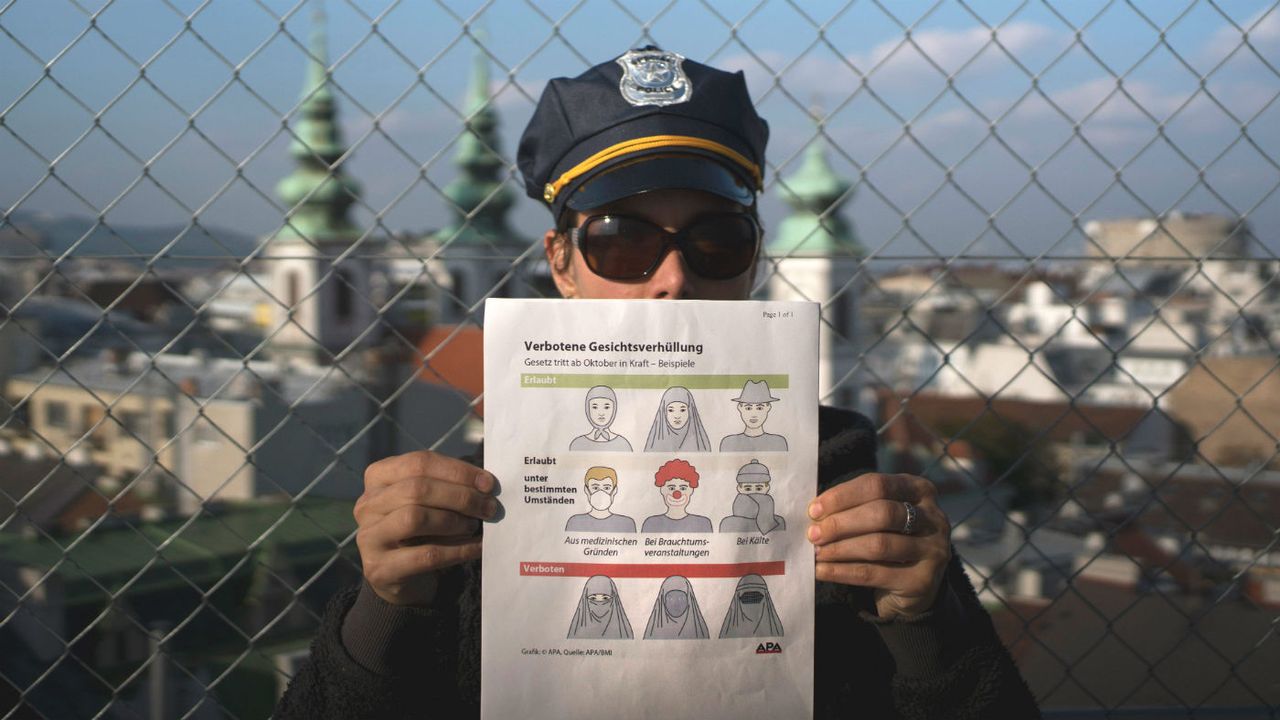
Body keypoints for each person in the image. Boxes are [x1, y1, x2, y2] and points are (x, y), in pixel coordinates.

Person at [276, 46, 1040, 719]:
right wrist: (383, 613)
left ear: (754, 261)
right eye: (621, 240)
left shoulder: (852, 500)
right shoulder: (474, 511)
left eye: (716, 241)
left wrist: (930, 625)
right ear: (559, 264)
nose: (674, 279)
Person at [640, 458, 712, 533]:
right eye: (671, 488)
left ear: (691, 490)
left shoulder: (703, 523)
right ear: (662, 490)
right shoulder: (651, 524)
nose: (677, 494)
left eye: (683, 488)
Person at [718, 459, 785, 535]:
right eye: (748, 489)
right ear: (739, 488)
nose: (753, 492)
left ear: (767, 488)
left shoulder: (778, 522)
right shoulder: (727, 523)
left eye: (759, 489)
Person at [719, 379, 789, 452]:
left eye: (759, 408)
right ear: (740, 407)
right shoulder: (727, 443)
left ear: (768, 407)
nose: (754, 414)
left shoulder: (779, 443)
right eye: (748, 408)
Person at [564, 465, 636, 532]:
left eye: (606, 488)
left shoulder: (626, 523)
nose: (601, 492)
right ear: (586, 490)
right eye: (595, 488)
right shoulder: (575, 522)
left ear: (614, 490)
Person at [644, 385, 711, 452]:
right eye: (671, 410)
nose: (677, 416)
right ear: (664, 413)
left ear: (690, 411)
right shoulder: (654, 444)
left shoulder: (700, 444)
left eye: (682, 410)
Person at [568, 385, 632, 451]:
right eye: (595, 407)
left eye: (606, 407)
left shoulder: (623, 444)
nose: (601, 413)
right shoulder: (577, 444)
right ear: (587, 408)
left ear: (614, 408)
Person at [643, 575, 709, 640]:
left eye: (681, 598)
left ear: (689, 600)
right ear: (663, 600)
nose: (675, 603)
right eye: (670, 598)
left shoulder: (700, 631)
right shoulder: (652, 632)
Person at [567, 575, 633, 639]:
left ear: (614, 599)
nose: (599, 603)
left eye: (605, 598)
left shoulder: (624, 632)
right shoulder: (575, 632)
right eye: (593, 598)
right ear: (585, 600)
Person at [719, 574, 784, 639]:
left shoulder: (776, 631)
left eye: (757, 597)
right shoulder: (727, 634)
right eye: (746, 598)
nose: (751, 603)